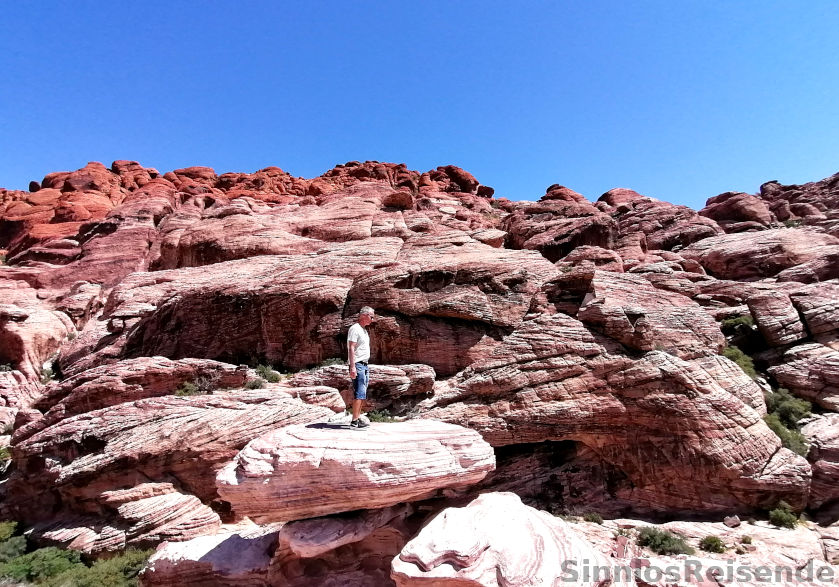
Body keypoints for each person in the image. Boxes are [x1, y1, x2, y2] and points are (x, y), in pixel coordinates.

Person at [347, 306, 375, 429]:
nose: (372, 319)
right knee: (359, 392)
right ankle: (354, 421)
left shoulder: (363, 330)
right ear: (364, 315)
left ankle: (357, 418)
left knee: (362, 392)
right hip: (358, 364)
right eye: (371, 316)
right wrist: (352, 366)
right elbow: (351, 347)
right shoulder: (355, 329)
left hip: (364, 365)